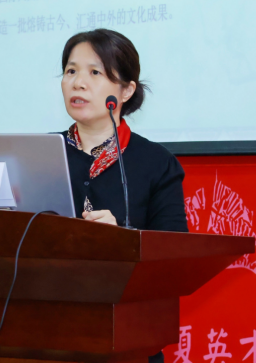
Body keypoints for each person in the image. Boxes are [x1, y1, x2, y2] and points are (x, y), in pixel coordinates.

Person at [60, 29, 188, 363]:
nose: (78, 83)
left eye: (95, 72)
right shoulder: (39, 153)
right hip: (46, 335)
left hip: (129, 339)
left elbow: (176, 257)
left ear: (127, 90)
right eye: (71, 71)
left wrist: (122, 240)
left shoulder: (156, 163)